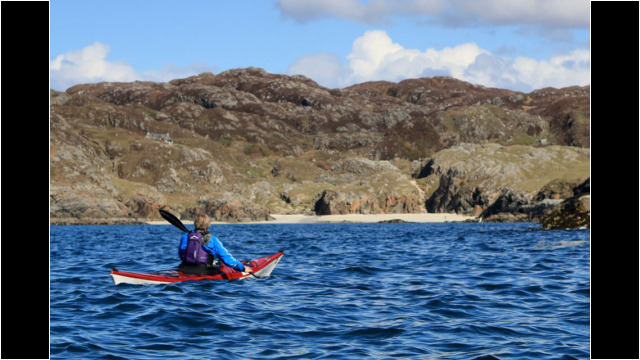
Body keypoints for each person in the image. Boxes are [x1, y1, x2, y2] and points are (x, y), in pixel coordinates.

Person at [178, 214, 253, 275]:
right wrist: (242, 268)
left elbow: (181, 255)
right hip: (204, 272)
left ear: (195, 224)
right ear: (208, 225)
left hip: (184, 269)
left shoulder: (186, 236)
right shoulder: (212, 239)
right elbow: (226, 257)